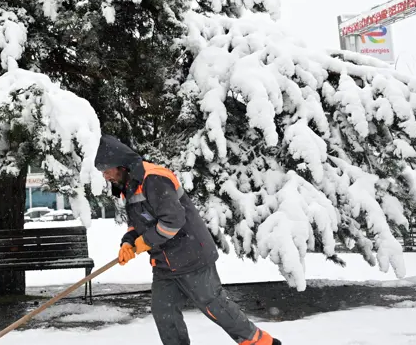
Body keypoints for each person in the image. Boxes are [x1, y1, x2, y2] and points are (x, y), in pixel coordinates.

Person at [95, 135, 280, 345]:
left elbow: (172, 221)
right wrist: (128, 242)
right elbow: (136, 224)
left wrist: (144, 242)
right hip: (164, 263)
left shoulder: (153, 178)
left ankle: (261, 342)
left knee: (215, 306)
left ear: (121, 165)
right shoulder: (129, 187)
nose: (105, 176)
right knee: (164, 312)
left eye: (107, 170)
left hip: (191, 255)